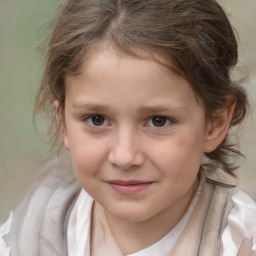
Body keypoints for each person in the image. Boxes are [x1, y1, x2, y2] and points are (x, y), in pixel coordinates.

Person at [0, 0, 256, 255]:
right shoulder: (26, 234)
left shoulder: (240, 242)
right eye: (97, 119)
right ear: (63, 123)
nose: (124, 157)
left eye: (159, 121)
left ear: (215, 123)